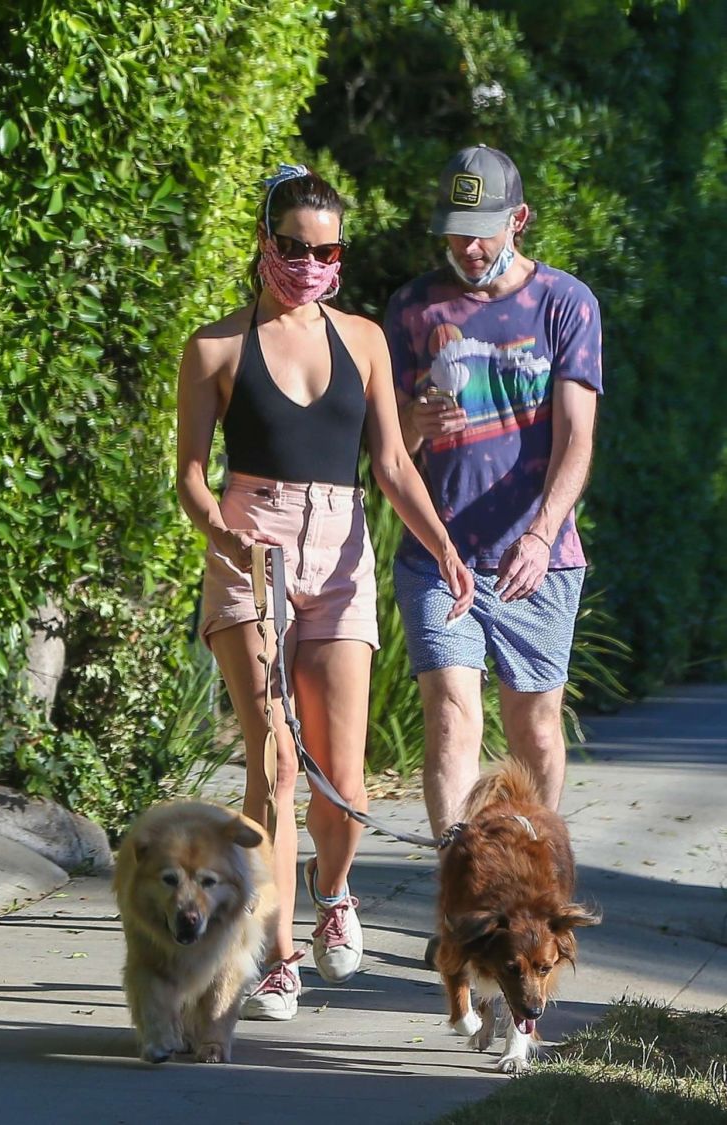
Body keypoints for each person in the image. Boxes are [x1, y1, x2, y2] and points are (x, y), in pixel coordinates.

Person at [176, 163, 474, 1020]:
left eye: (328, 249)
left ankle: (331, 891)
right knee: (272, 765)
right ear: (266, 245)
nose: (310, 263)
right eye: (294, 247)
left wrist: (444, 547)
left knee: (343, 779)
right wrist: (220, 529)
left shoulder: (366, 339)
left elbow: (390, 464)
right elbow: (191, 475)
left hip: (340, 551)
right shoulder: (216, 346)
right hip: (251, 549)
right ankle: (276, 954)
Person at [384, 144, 602, 873]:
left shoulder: (566, 304)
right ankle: (463, 889)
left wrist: (541, 535)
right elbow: (387, 442)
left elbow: (577, 441)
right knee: (450, 715)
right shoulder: (414, 308)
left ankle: (534, 878)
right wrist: (416, 419)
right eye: (454, 229)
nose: (468, 246)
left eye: (482, 229)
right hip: (438, 555)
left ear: (520, 220)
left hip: (535, 559)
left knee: (534, 728)